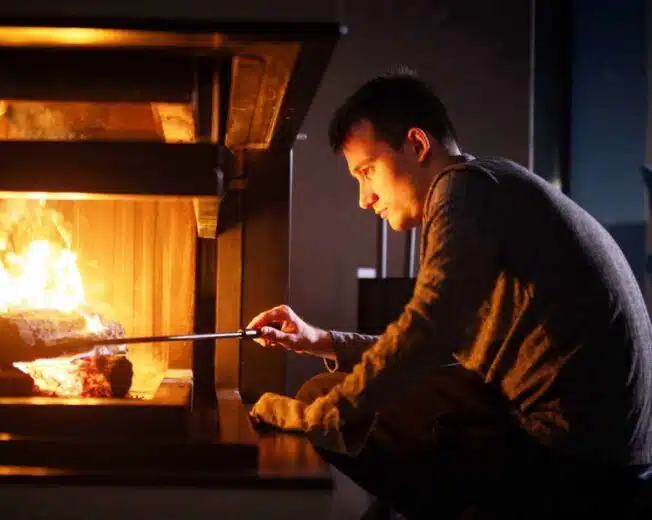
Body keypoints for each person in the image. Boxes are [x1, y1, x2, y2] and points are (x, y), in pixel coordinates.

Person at [247, 68, 652, 519]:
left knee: (321, 397)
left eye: (367, 172)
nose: (364, 198)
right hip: (601, 450)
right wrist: (322, 340)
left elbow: (429, 328)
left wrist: (328, 416)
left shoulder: (462, 187)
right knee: (336, 393)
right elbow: (443, 352)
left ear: (418, 145)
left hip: (572, 457)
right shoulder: (490, 189)